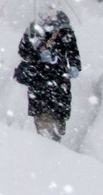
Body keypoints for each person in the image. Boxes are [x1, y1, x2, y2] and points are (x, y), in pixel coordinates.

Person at [17, 10, 81, 141]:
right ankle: (46, 150)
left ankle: (55, 146)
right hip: (40, 83)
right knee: (43, 125)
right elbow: (23, 52)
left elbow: (73, 51)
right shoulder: (34, 31)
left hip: (59, 83)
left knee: (59, 126)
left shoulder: (65, 30)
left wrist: (74, 65)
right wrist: (38, 55)